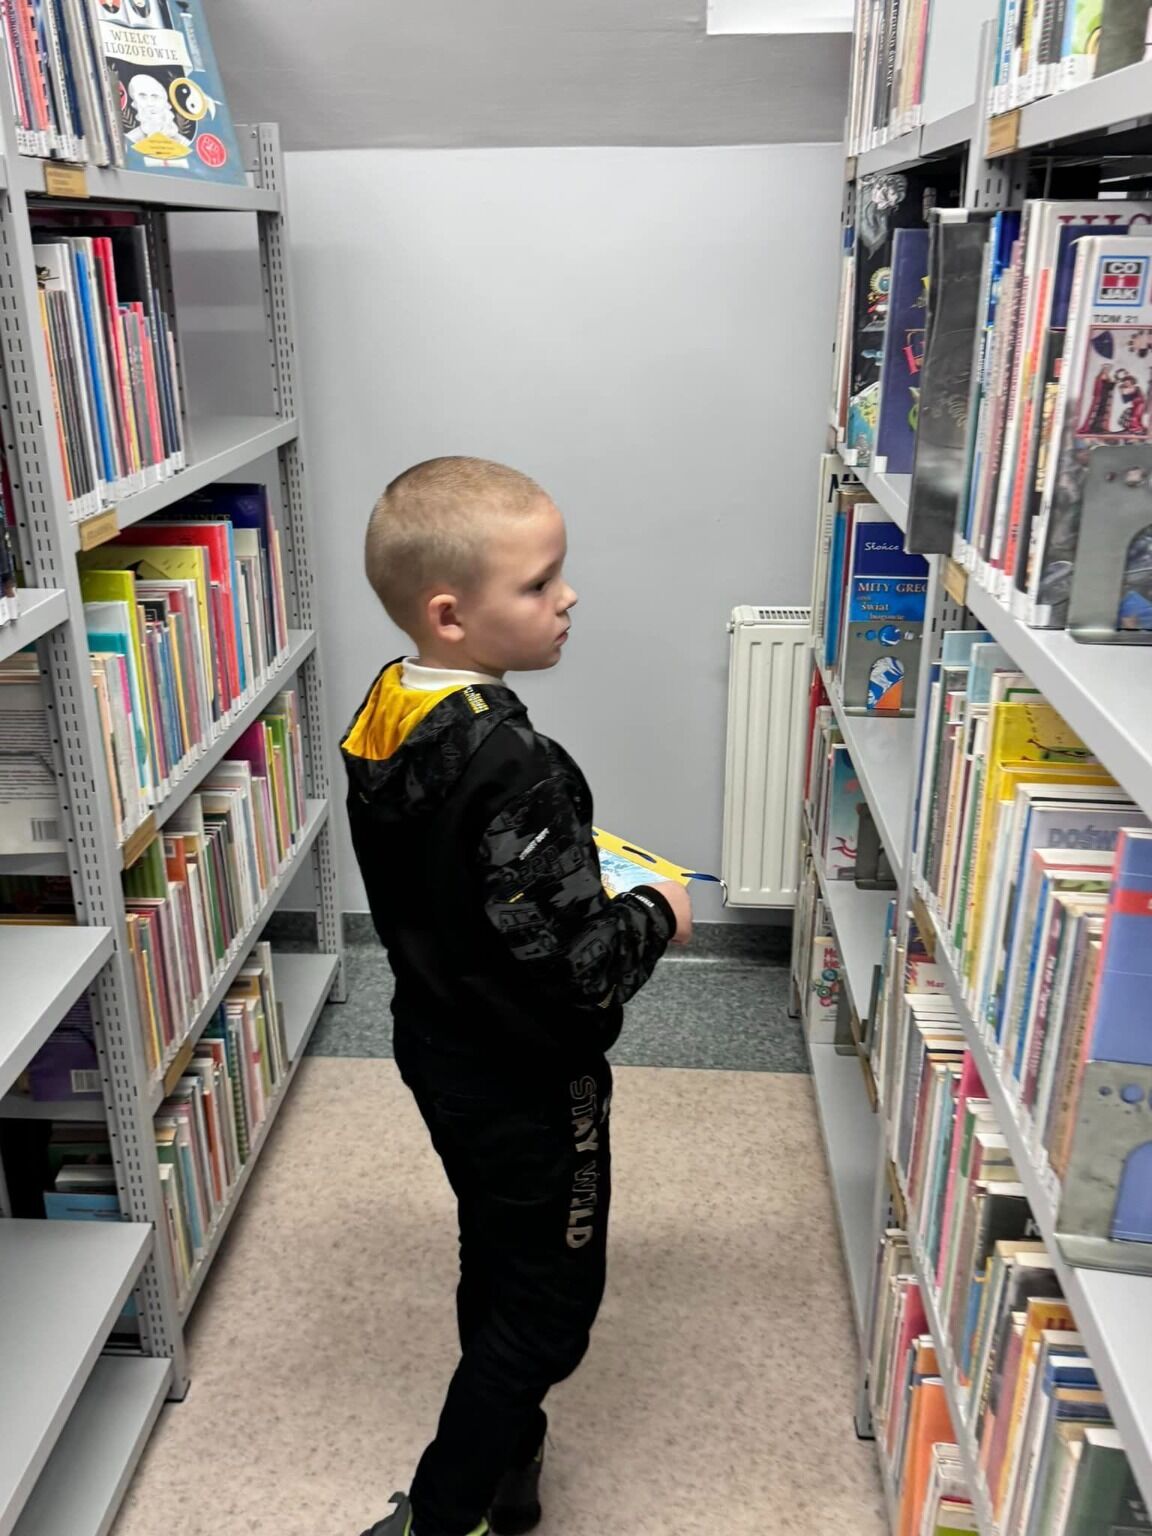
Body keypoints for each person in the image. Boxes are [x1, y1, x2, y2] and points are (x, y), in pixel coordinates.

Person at [342, 457, 693, 1536]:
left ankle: (510, 1456)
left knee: (493, 1245)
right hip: (529, 1075)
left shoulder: (388, 709)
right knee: (548, 1310)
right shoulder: (518, 763)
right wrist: (659, 911)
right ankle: (439, 1514)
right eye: (539, 584)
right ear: (451, 615)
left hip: (437, 1040)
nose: (567, 597)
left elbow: (464, 878)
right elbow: (584, 973)